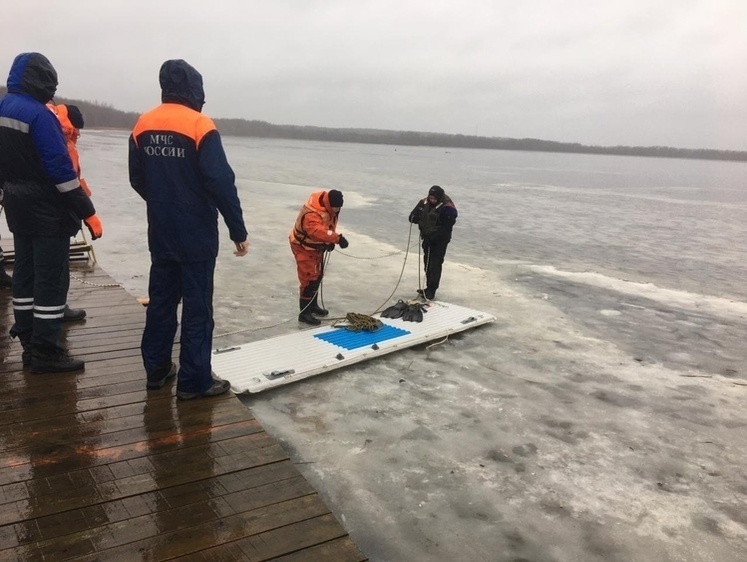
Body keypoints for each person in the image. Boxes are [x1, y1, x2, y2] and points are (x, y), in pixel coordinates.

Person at [129, 59, 249, 400]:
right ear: (196, 90)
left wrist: (161, 202)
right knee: (198, 308)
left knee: (162, 302)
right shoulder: (200, 125)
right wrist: (237, 229)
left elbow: (137, 177)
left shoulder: (143, 123)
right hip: (196, 231)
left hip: (162, 229)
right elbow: (220, 181)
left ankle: (157, 369)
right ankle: (194, 382)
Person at [0, 52, 102, 373]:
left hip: (17, 207)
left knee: (25, 275)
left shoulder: (3, 107)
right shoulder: (40, 116)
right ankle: (47, 350)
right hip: (47, 212)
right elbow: (61, 172)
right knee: (50, 282)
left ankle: (29, 339)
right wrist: (87, 211)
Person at [47, 103, 91, 321]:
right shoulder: (63, 143)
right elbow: (65, 178)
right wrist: (86, 211)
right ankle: (55, 313)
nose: (79, 135)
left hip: (45, 210)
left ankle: (50, 310)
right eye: (78, 130)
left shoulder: (55, 136)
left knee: (44, 267)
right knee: (57, 267)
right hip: (56, 213)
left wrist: (84, 195)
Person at [289, 189, 348, 325]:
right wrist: (336, 238)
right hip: (303, 247)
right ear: (329, 204)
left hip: (315, 247)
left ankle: (312, 305)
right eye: (335, 207)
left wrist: (328, 242)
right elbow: (316, 231)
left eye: (339, 207)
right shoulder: (312, 214)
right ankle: (304, 313)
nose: (337, 210)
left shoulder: (329, 208)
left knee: (317, 276)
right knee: (309, 280)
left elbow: (326, 226)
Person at [408, 185, 458, 300]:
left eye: (434, 199)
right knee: (427, 263)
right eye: (431, 198)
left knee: (435, 264)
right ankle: (428, 287)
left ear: (439, 198)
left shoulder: (448, 208)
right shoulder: (424, 202)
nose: (432, 200)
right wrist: (414, 218)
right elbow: (412, 215)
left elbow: (447, 227)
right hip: (427, 238)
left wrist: (434, 237)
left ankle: (432, 290)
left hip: (440, 241)